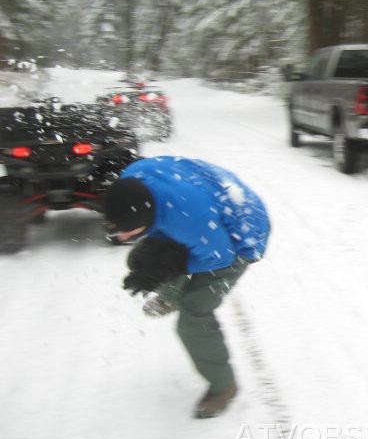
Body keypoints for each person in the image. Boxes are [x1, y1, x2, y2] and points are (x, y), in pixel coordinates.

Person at [103, 156, 270, 419]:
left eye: (126, 231)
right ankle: (170, 296)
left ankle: (223, 386)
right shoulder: (132, 177)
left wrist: (166, 266)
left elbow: (220, 257)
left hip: (242, 236)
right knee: (141, 260)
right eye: (117, 230)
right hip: (202, 205)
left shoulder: (190, 219)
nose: (119, 237)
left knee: (194, 314)